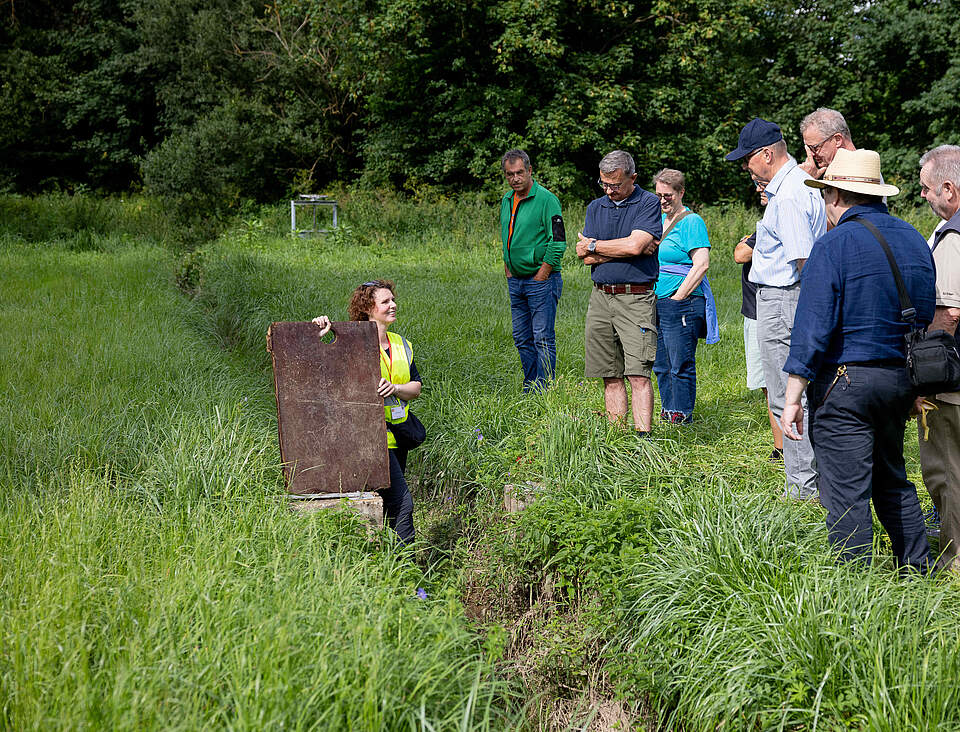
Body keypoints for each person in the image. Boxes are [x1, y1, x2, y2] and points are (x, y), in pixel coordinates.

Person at [781, 148, 935, 571]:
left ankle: (855, 592)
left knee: (846, 493)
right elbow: (925, 315)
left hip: (845, 383)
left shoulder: (832, 245)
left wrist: (793, 395)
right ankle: (917, 571)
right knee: (892, 480)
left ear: (835, 196)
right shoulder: (916, 241)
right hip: (901, 380)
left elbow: (812, 325)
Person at [725, 117, 826, 500]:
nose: (747, 168)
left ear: (767, 154)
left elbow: (805, 262)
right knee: (794, 393)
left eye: (748, 160)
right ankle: (813, 479)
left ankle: (802, 489)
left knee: (786, 395)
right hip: (783, 297)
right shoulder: (797, 187)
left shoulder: (788, 196)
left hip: (785, 298)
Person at [313, 280, 420, 544]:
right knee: (403, 502)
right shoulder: (353, 342)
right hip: (371, 440)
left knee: (391, 504)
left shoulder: (401, 344)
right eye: (385, 302)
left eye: (393, 300)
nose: (393, 305)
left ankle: (390, 565)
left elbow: (416, 387)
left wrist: (395, 388)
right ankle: (406, 571)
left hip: (399, 435)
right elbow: (325, 370)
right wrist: (319, 333)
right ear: (368, 309)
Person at [575, 150, 663, 435]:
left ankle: (643, 438)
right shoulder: (595, 207)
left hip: (635, 297)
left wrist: (595, 245)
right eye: (605, 184)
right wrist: (610, 248)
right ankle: (616, 438)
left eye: (616, 184)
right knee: (609, 373)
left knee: (638, 372)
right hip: (600, 297)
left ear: (633, 178)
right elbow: (586, 256)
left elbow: (635, 247)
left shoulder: (648, 202)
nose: (610, 190)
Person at [916, 144, 960, 571]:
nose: (925, 197)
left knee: (947, 472)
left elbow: (947, 314)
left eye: (928, 189)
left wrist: (923, 380)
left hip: (953, 387)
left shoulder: (953, 239)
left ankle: (953, 564)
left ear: (949, 188)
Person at [651, 168, 718, 424]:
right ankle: (668, 410)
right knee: (661, 363)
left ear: (681, 192)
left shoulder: (692, 222)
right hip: (658, 300)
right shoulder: (657, 219)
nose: (662, 200)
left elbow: (701, 264)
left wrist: (677, 298)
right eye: (658, 194)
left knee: (680, 362)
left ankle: (682, 414)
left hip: (683, 302)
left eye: (668, 195)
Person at [500, 149, 567, 391]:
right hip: (515, 280)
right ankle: (530, 385)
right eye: (510, 174)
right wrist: (508, 266)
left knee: (542, 338)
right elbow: (506, 237)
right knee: (521, 338)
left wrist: (543, 273)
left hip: (541, 280)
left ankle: (545, 387)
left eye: (519, 172)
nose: (515, 178)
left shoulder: (547, 200)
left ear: (529, 171)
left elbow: (558, 240)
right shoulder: (507, 200)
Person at [734, 176, 784, 460]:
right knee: (769, 383)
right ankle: (781, 446)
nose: (758, 189)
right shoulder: (767, 220)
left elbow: (740, 253)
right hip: (756, 308)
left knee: (773, 382)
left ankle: (783, 448)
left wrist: (747, 241)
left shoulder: (773, 221)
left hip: (765, 310)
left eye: (763, 185)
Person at [798, 108, 858, 180]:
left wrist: (808, 182)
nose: (812, 154)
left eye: (814, 148)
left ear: (837, 140)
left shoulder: (857, 174)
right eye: (808, 148)